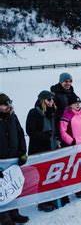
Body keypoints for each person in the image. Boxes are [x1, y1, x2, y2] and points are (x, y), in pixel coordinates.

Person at [26, 91, 59, 212]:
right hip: (38, 149)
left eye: (52, 100)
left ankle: (51, 197)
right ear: (42, 101)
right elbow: (30, 131)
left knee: (51, 174)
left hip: (51, 148)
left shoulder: (52, 112)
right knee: (42, 176)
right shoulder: (34, 113)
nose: (51, 102)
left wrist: (55, 139)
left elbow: (55, 129)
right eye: (49, 100)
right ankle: (43, 202)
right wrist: (47, 136)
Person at [0, 93, 29, 224]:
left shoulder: (13, 117)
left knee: (13, 187)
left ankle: (14, 212)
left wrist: (23, 152)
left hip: (13, 160)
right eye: (5, 104)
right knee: (1, 190)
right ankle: (4, 217)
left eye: (9, 103)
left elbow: (20, 133)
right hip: (1, 162)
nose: (9, 106)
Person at [59, 94, 81, 199]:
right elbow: (63, 131)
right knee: (76, 168)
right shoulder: (67, 115)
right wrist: (71, 141)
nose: (77, 105)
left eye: (79, 103)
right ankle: (78, 190)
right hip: (75, 146)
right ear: (70, 105)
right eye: (75, 103)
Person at [50, 72, 76, 143]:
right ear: (61, 82)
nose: (68, 83)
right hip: (61, 126)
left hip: (70, 124)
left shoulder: (71, 92)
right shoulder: (55, 94)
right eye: (66, 81)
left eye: (70, 81)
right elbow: (55, 116)